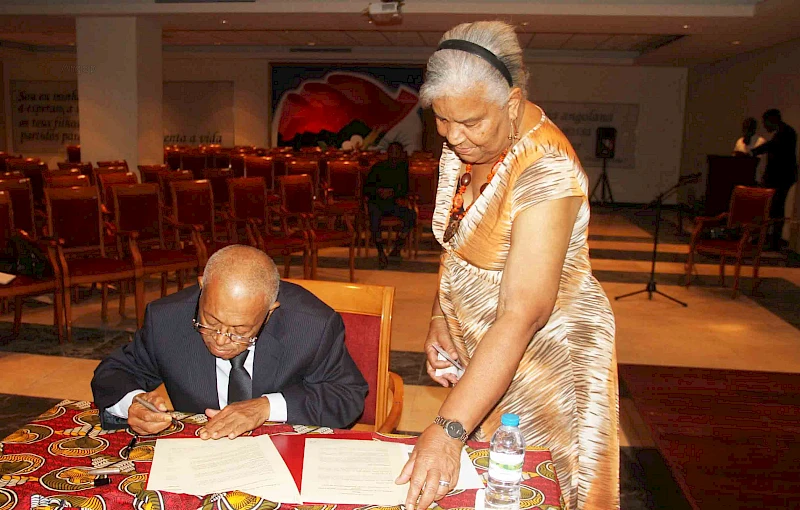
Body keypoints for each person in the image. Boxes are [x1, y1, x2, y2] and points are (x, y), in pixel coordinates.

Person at [395, 21, 618, 510]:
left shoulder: (545, 170)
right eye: (442, 121)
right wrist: (440, 314)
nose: (454, 138)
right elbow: (456, 237)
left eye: (470, 122)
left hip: (547, 362)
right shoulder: (467, 144)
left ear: (513, 103)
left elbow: (522, 314)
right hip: (491, 353)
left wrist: (449, 428)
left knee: (537, 486)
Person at [91, 245, 368, 437]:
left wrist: (266, 407)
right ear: (202, 288)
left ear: (269, 311)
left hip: (283, 448)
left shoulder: (311, 325)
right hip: (201, 457)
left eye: (239, 330)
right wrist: (134, 404)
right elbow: (113, 373)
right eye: (209, 322)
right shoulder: (167, 319)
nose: (221, 340)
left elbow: (346, 395)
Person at [363, 141, 416, 269]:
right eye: (391, 152)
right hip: (377, 202)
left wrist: (392, 193)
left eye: (396, 152)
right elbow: (366, 189)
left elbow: (405, 189)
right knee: (373, 214)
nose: (394, 155)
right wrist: (379, 192)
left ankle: (398, 245)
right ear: (387, 153)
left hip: (394, 203)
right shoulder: (377, 167)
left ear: (401, 154)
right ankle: (380, 251)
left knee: (411, 215)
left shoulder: (403, 169)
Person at [751, 109, 798, 251]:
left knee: (776, 209)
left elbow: (772, 147)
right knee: (774, 209)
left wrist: (754, 152)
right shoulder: (785, 132)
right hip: (779, 178)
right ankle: (771, 239)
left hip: (781, 178)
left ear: (773, 120)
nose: (765, 126)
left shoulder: (786, 133)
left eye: (766, 123)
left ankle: (774, 240)